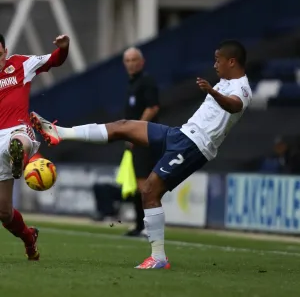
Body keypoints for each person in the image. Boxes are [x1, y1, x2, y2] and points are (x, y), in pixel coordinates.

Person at [31, 40, 252, 269]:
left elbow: (235, 106)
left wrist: (212, 91)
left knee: (148, 190)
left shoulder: (241, 87)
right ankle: (60, 133)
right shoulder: (224, 82)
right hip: (180, 134)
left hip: (195, 146)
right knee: (122, 126)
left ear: (232, 61)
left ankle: (158, 258)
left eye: (218, 60)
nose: (215, 64)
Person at [0, 33, 69, 260]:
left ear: (6, 51)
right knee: (4, 213)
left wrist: (64, 48)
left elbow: (54, 60)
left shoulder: (22, 64)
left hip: (16, 129)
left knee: (19, 140)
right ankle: (29, 239)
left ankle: (20, 156)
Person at [122, 47, 159, 237]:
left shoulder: (147, 82)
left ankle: (150, 226)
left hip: (144, 139)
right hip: (134, 140)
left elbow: (152, 107)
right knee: (137, 184)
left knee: (145, 184)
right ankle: (139, 225)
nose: (131, 63)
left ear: (142, 62)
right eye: (127, 60)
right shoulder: (132, 84)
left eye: (134, 60)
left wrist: (137, 130)